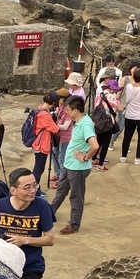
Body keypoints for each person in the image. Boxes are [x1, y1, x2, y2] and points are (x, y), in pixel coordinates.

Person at [0, 168, 55, 279]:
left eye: (34, 185)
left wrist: (25, 240)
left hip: (30, 266)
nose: (33, 190)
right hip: (3, 266)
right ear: (13, 190)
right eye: (27, 187)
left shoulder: (42, 206)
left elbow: (50, 239)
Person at [50, 95, 98, 235]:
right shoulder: (81, 122)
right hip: (70, 165)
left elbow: (94, 145)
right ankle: (49, 214)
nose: (67, 113)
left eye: (68, 110)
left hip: (78, 167)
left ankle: (74, 224)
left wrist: (84, 157)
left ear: (76, 110)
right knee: (61, 190)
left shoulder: (85, 124)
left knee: (76, 196)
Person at [30, 92, 60, 186]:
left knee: (38, 167)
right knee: (39, 169)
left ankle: (36, 188)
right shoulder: (45, 115)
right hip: (41, 145)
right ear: (54, 103)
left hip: (37, 143)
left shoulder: (40, 108)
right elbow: (55, 129)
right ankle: (35, 189)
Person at [92, 77, 122, 169]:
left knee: (98, 141)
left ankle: (93, 159)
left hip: (99, 121)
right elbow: (120, 108)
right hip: (108, 122)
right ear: (112, 89)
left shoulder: (99, 95)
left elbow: (95, 107)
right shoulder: (112, 97)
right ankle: (100, 164)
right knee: (105, 143)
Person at [53, 87, 73, 182]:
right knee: (55, 154)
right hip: (58, 135)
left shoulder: (69, 110)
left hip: (65, 137)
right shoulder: (61, 106)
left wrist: (53, 125)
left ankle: (62, 179)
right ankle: (57, 174)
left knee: (62, 158)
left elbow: (65, 126)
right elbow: (57, 113)